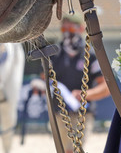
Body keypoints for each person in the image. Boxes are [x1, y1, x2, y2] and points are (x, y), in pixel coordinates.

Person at [50, 14, 110, 153]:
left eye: (71, 28)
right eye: (64, 28)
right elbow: (45, 80)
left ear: (81, 28)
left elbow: (105, 87)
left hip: (83, 112)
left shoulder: (90, 56)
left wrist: (84, 94)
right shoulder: (54, 55)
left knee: (76, 149)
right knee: (64, 149)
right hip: (60, 111)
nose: (67, 32)